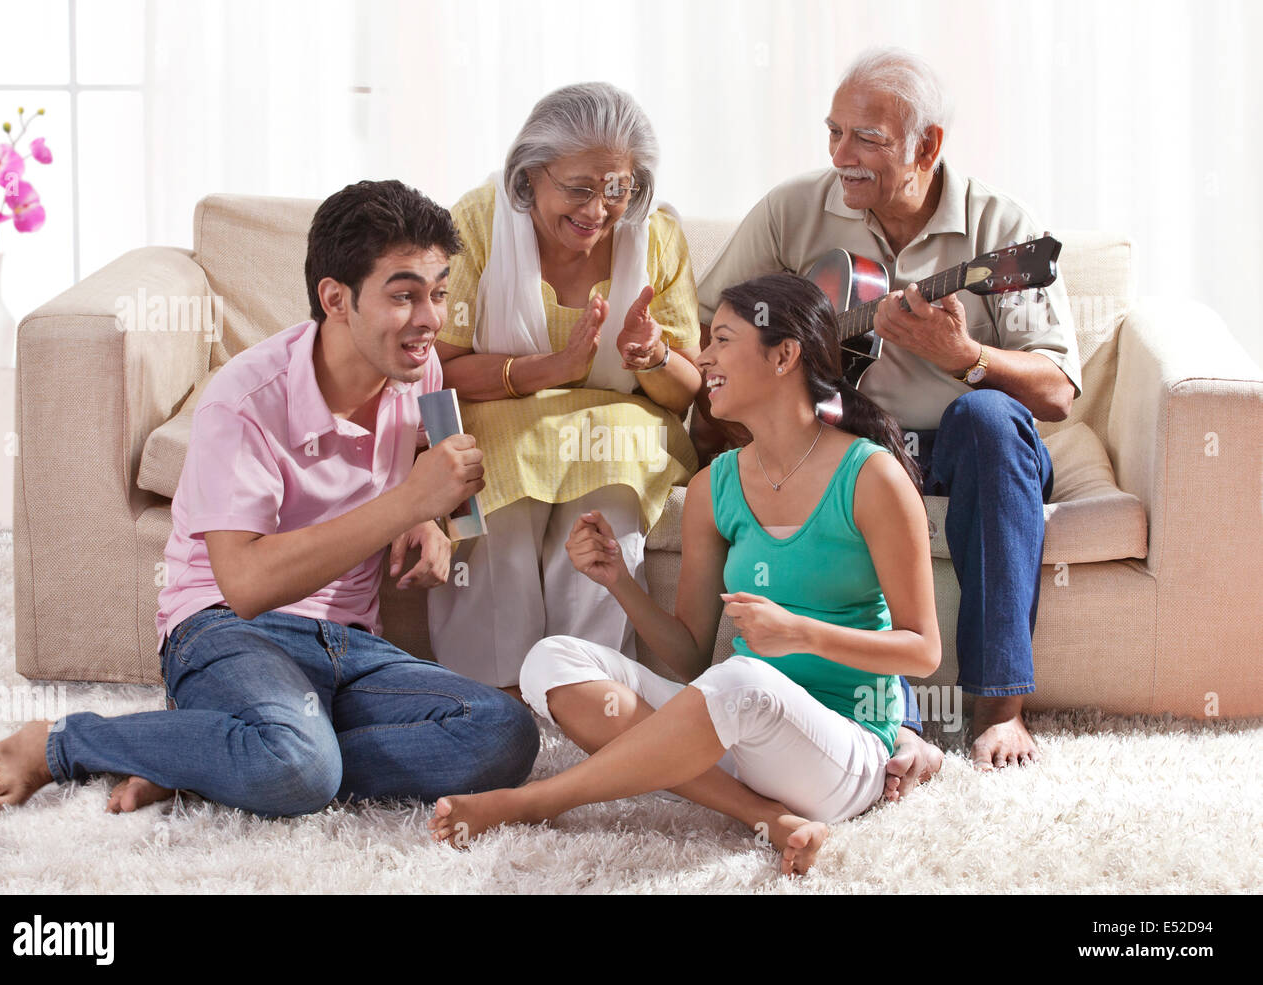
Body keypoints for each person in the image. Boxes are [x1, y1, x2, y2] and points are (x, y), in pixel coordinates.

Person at [0, 179, 539, 820]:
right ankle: (64, 743)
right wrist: (410, 503)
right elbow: (243, 584)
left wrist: (437, 521)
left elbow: (453, 494)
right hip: (227, 630)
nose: (431, 319)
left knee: (505, 733)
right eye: (404, 295)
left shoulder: (420, 370)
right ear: (336, 299)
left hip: (349, 643)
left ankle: (211, 755)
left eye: (437, 293)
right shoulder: (244, 401)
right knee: (301, 764)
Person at [428, 273, 942, 876]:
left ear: (784, 355)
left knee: (743, 679)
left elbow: (923, 652)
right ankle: (762, 815)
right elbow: (693, 657)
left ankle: (530, 802)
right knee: (551, 661)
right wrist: (617, 580)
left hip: (843, 754)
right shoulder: (714, 485)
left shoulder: (870, 476)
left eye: (722, 340)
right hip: (732, 735)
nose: (702, 358)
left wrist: (801, 634)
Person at [692, 47, 1082, 774]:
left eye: (866, 139)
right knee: (842, 439)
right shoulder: (795, 210)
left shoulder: (1002, 229)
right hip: (850, 437)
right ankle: (891, 723)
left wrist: (967, 356)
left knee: (990, 418)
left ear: (926, 145)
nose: (842, 156)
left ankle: (999, 708)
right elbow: (712, 317)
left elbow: (1057, 390)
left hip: (965, 448)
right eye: (833, 132)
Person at [428, 82, 702, 693]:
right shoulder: (477, 222)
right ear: (530, 175)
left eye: (616, 190)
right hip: (500, 412)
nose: (598, 211)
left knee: (604, 501)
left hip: (616, 426)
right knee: (497, 495)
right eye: (578, 188)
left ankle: (589, 694)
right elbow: (437, 366)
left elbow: (688, 390)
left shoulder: (654, 234)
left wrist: (651, 354)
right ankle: (490, 698)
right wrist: (550, 368)